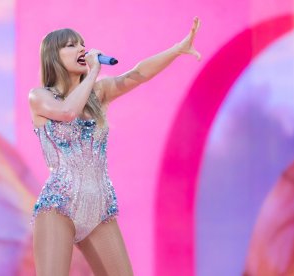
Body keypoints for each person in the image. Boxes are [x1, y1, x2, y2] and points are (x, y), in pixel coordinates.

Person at [28, 17, 201, 276]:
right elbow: (67, 111)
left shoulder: (99, 93)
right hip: (59, 205)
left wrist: (176, 49)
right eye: (70, 45)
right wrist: (94, 73)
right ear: (53, 56)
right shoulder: (40, 97)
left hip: (99, 206)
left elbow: (137, 74)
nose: (81, 49)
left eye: (82, 44)